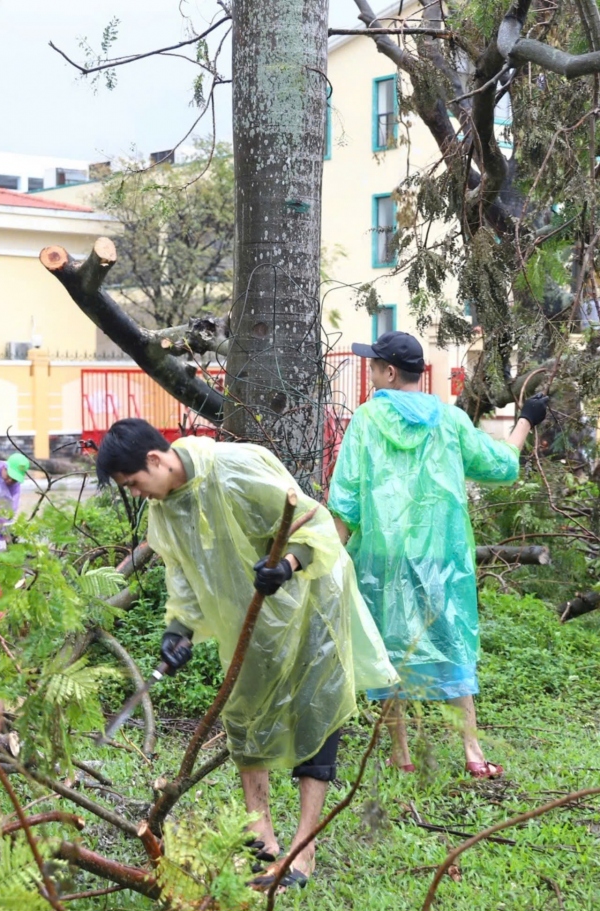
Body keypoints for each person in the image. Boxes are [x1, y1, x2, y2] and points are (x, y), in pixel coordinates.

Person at [96, 419, 396, 889]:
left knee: (314, 710)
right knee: (244, 714)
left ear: (155, 460)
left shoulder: (234, 467)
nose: (137, 494)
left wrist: (288, 565)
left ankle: (304, 850)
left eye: (135, 483)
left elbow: (313, 523)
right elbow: (183, 579)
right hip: (252, 620)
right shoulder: (165, 511)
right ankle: (262, 838)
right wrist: (179, 633)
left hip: (312, 599)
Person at [327, 331, 549, 779]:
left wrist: (330, 559)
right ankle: (472, 752)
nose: (370, 373)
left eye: (373, 365)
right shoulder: (449, 420)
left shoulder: (367, 420)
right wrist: (526, 419)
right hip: (442, 558)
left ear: (390, 372)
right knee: (452, 643)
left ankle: (400, 754)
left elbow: (346, 498)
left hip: (382, 558)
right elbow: (501, 465)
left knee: (389, 648)